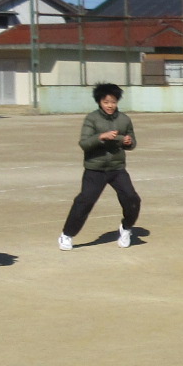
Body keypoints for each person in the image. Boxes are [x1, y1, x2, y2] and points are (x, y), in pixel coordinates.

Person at [58, 84, 139, 250]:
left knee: (132, 199)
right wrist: (101, 137)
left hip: (117, 168)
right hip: (95, 169)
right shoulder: (92, 119)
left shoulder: (124, 119)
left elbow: (132, 142)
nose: (110, 105)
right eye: (106, 102)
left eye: (113, 102)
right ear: (99, 102)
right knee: (85, 201)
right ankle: (67, 235)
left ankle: (126, 229)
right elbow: (84, 143)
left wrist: (128, 142)